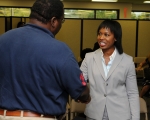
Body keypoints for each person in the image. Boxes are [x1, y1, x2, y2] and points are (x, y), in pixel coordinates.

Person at [0, 0, 91, 120]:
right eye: (61, 21)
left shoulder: (3, 40)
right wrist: (85, 96)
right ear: (54, 21)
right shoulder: (60, 50)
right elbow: (81, 92)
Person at [80, 20, 140, 120]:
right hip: (94, 113)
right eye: (99, 34)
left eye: (106, 34)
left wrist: (135, 118)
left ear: (115, 37)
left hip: (120, 114)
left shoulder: (127, 61)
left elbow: (132, 93)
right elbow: (79, 81)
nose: (101, 38)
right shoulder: (89, 57)